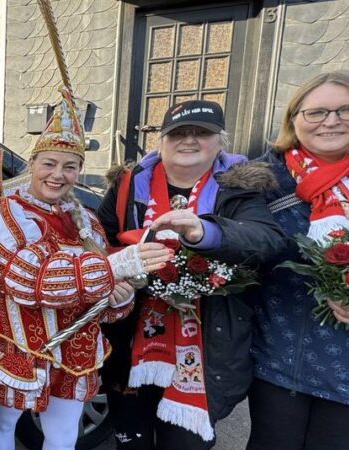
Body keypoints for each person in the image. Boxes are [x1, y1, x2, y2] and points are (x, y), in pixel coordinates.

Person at [0, 88, 172, 450]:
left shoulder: (86, 220)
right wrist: (114, 267)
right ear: (32, 164)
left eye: (70, 167)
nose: (58, 175)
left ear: (80, 171)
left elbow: (110, 302)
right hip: (23, 344)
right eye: (49, 164)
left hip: (77, 347)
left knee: (64, 433)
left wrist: (120, 295)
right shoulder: (5, 212)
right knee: (5, 424)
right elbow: (28, 277)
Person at [96, 99, 285, 449]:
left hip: (208, 343)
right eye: (177, 133)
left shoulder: (238, 187)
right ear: (161, 141)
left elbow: (268, 240)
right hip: (129, 345)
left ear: (220, 141)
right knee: (130, 441)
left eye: (202, 133)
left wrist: (204, 233)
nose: (189, 140)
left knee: (183, 443)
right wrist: (117, 272)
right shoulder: (128, 184)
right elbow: (98, 241)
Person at [248, 70, 349, 450]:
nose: (330, 121)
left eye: (346, 110)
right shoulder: (264, 177)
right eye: (316, 112)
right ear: (294, 119)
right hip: (278, 356)